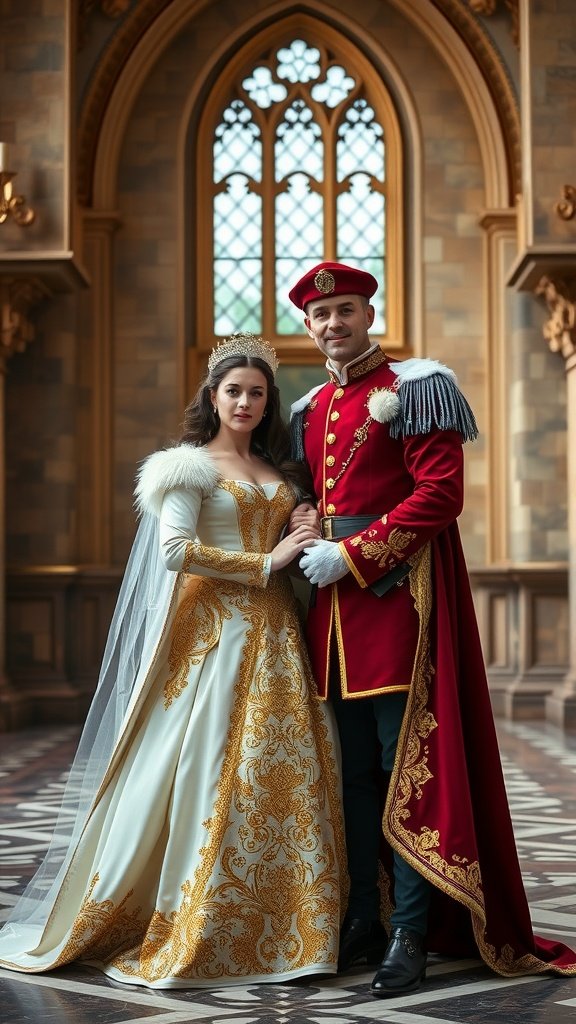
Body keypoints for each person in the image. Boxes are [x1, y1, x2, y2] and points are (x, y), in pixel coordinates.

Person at [0, 333, 346, 989]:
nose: (244, 401)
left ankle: (289, 921)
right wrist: (262, 563)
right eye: (233, 391)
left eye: (256, 393)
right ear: (212, 397)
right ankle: (200, 916)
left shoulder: (281, 473)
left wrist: (301, 531)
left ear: (269, 402)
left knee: (286, 765)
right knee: (209, 768)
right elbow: (172, 551)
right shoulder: (185, 468)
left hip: (275, 631)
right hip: (211, 636)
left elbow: (293, 546)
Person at [287, 260, 576, 997]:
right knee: (349, 775)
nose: (333, 324)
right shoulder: (311, 407)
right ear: (308, 326)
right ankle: (363, 919)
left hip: (395, 606)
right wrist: (305, 529)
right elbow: (312, 494)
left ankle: (412, 932)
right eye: (320, 316)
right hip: (330, 621)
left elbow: (440, 495)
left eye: (345, 309)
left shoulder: (416, 387)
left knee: (403, 769)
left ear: (368, 312)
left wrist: (350, 554)